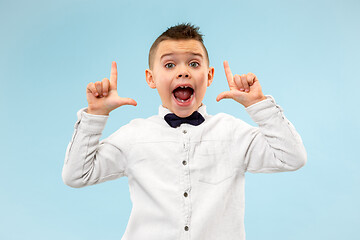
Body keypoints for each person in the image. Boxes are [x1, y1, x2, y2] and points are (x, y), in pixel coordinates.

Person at [62, 23, 307, 240]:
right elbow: (76, 175)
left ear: (209, 76)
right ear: (151, 78)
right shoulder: (134, 136)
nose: (183, 72)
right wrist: (96, 115)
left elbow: (292, 157)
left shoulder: (232, 132)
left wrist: (258, 104)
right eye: (169, 64)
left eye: (193, 63)